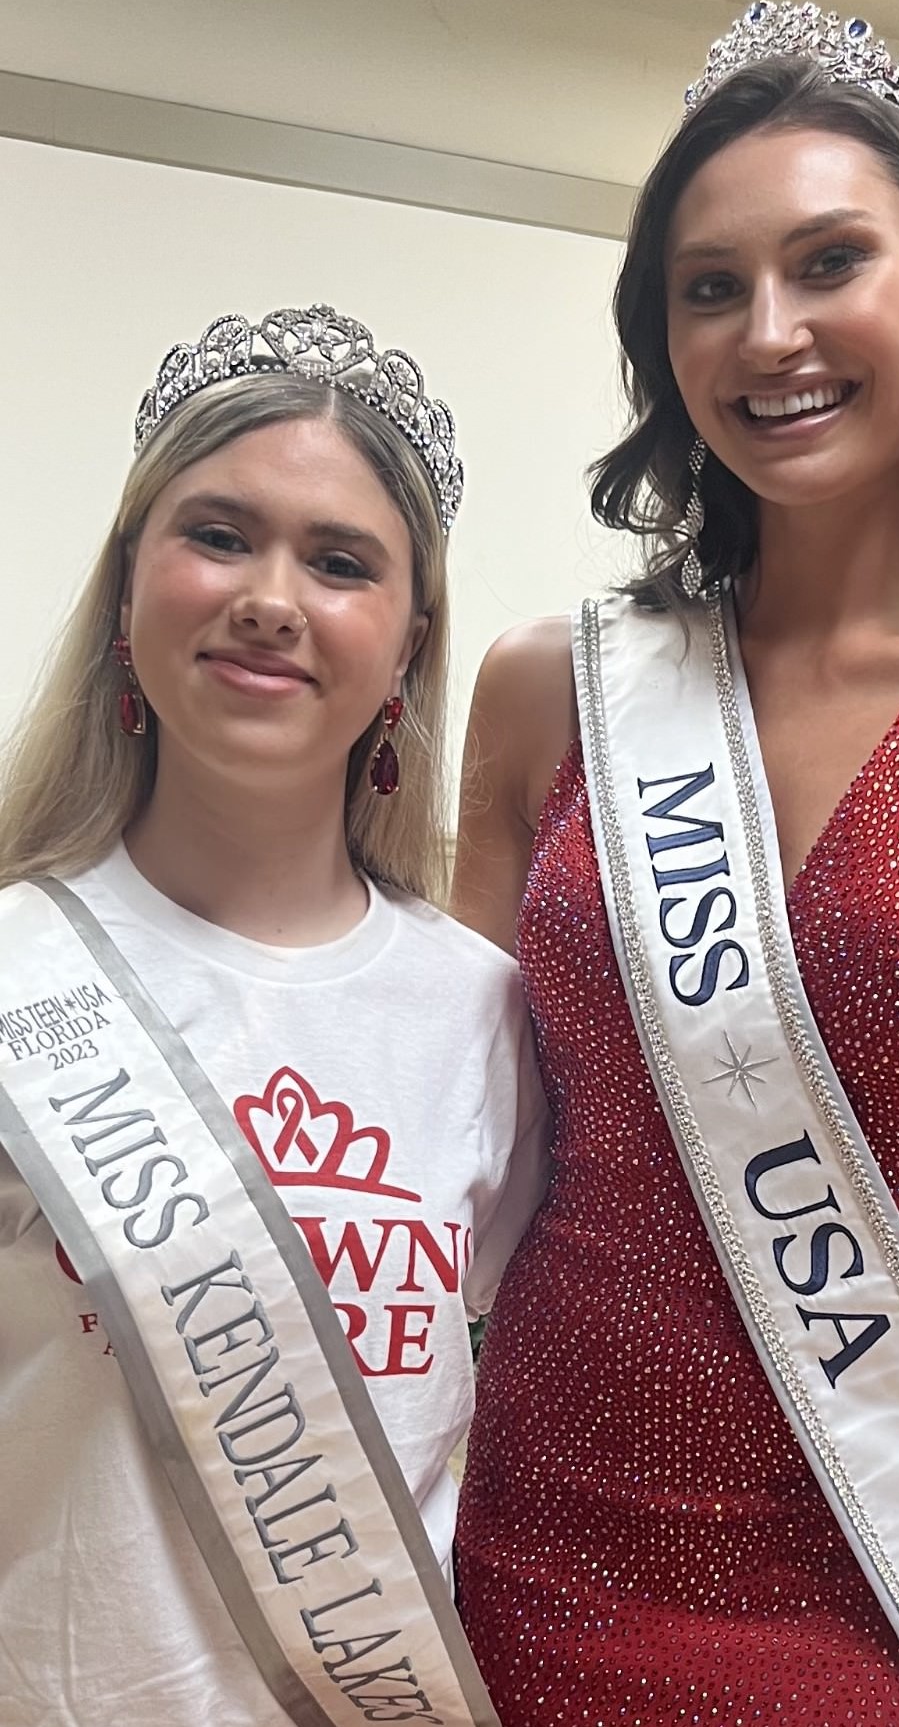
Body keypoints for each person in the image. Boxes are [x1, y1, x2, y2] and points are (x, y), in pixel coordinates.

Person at [451, 3, 899, 1727]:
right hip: (532, 1523)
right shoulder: (555, 688)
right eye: (708, 285)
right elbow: (449, 1129)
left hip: (880, 1547)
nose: (769, 332)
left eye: (829, 260)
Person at [0, 304, 548, 1727]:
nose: (271, 596)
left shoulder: (488, 1015)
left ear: (409, 640)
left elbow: (602, 1319)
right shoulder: (14, 972)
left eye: (342, 560)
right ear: (130, 592)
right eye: (220, 535)